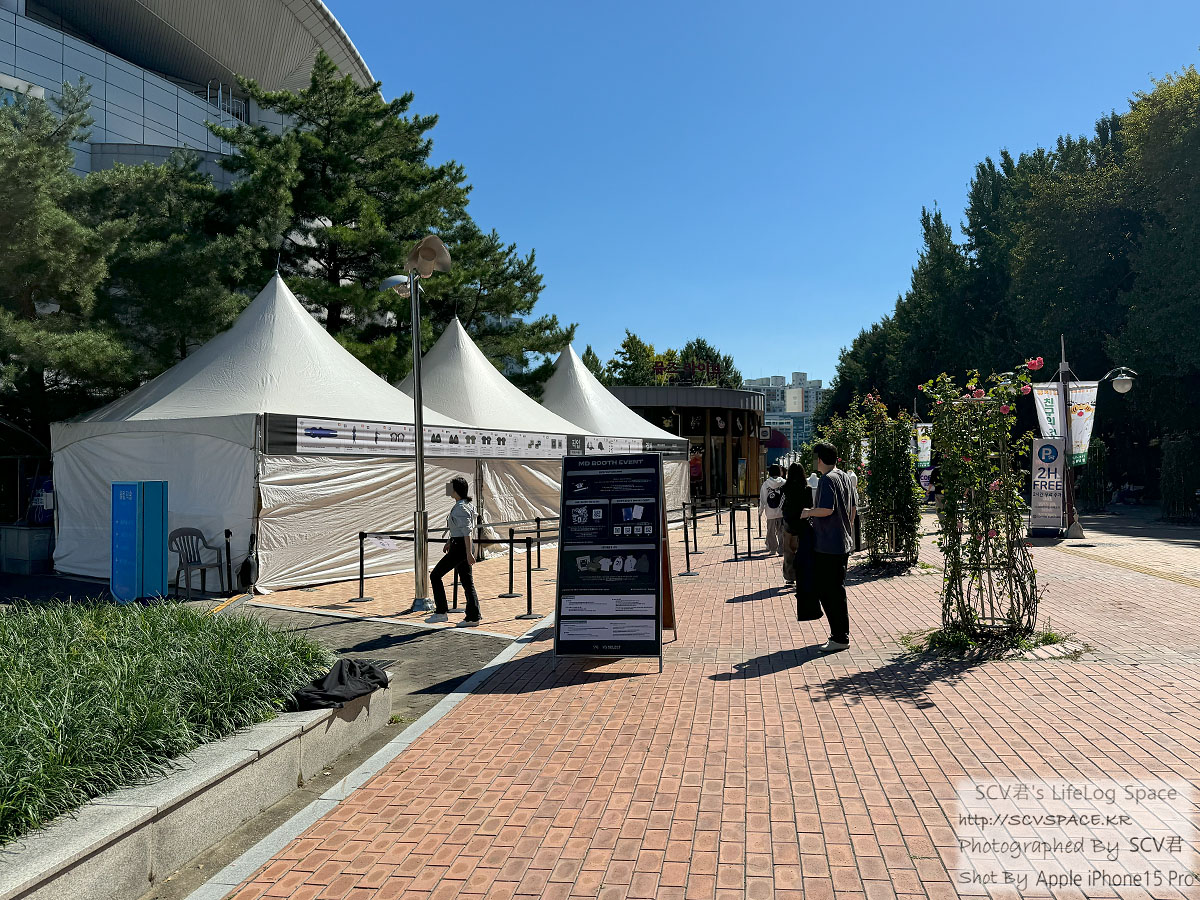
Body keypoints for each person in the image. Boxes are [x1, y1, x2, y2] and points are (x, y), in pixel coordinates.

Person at [799, 442, 857, 651]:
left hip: (828, 545)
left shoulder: (827, 479)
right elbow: (853, 507)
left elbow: (826, 509)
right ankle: (840, 635)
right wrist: (847, 528)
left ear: (820, 459)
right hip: (842, 542)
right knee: (836, 590)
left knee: (829, 592)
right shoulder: (844, 476)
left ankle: (839, 637)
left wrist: (807, 513)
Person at [429, 476, 481, 624]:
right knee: (467, 582)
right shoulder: (465, 505)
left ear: (456, 490)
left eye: (450, 487)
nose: (448, 489)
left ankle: (441, 611)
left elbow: (467, 531)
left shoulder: (460, 507)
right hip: (459, 544)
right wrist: (449, 541)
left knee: (435, 575)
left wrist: (468, 553)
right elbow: (459, 528)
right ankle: (473, 616)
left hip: (460, 547)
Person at [781, 462, 814, 603]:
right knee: (802, 551)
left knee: (788, 551)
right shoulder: (807, 489)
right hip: (802, 523)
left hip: (789, 523)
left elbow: (781, 506)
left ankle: (790, 577)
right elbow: (810, 505)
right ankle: (802, 576)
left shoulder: (785, 488)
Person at [758, 464, 787, 555]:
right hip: (781, 511)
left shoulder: (766, 484)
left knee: (771, 531)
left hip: (770, 512)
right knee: (781, 531)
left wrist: (760, 511)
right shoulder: (784, 482)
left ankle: (773, 549)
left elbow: (762, 499)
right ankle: (781, 549)